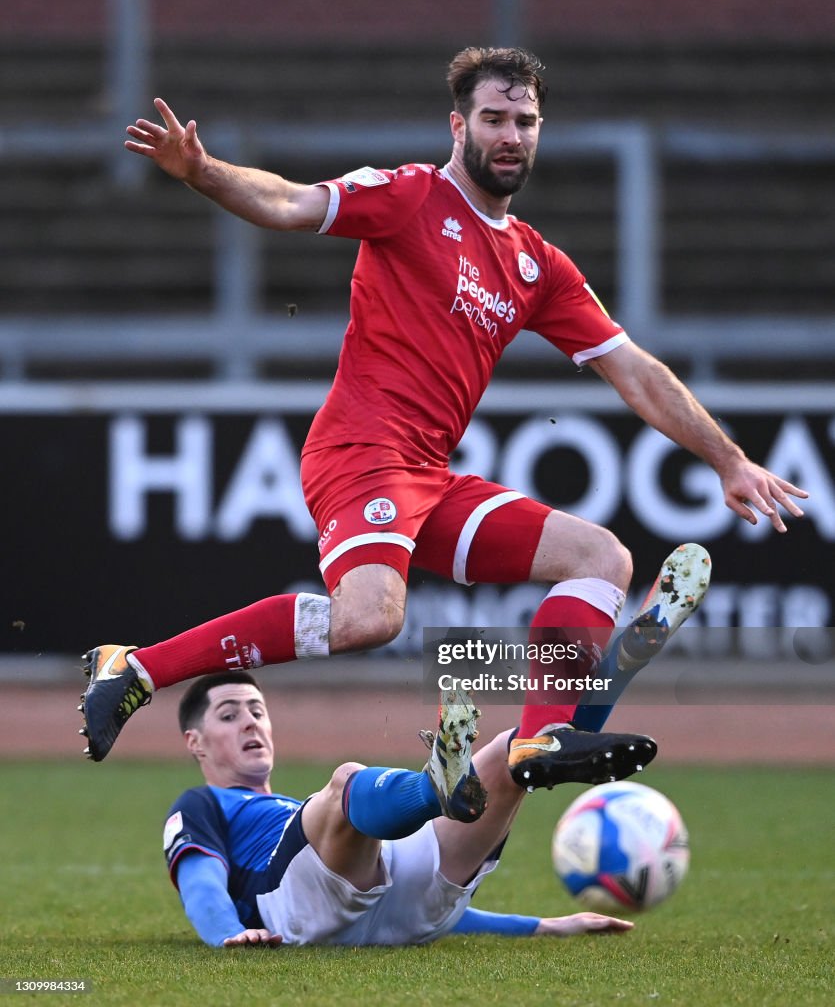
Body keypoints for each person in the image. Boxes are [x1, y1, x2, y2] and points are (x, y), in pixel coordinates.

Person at [80, 47, 806, 783]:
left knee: (601, 558)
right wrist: (203, 170)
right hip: (360, 450)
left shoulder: (535, 264)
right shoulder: (409, 196)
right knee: (370, 618)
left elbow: (635, 371)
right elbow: (289, 203)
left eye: (524, 121)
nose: (510, 135)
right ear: (457, 125)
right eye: (493, 118)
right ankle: (135, 667)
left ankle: (537, 742)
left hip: (428, 475)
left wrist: (728, 460)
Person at [164, 671, 635, 947]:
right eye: (229, 715)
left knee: (512, 756)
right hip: (292, 907)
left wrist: (542, 927)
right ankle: (435, 789)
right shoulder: (199, 803)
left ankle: (619, 666)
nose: (249, 721)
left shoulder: (293, 813)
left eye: (256, 710)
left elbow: (437, 915)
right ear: (195, 743)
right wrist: (229, 935)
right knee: (345, 782)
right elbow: (200, 885)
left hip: (404, 916)